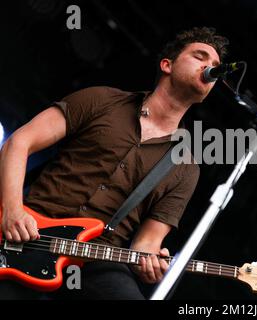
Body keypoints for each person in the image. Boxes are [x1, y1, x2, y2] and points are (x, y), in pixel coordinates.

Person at [0, 26, 229, 299]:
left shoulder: (185, 168)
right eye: (200, 57)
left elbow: (147, 243)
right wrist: (12, 211)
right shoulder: (101, 100)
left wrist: (150, 262)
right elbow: (19, 143)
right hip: (27, 230)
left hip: (98, 259)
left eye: (215, 65)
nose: (210, 67)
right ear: (167, 65)